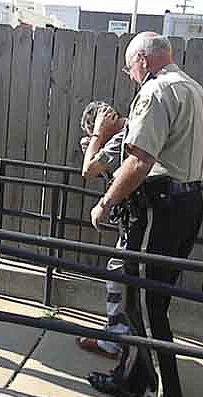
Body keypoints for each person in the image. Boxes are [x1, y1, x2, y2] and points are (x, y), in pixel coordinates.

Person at [86, 32, 203, 397]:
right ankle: (130, 379)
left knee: (146, 306)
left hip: (157, 208)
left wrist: (106, 202)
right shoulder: (201, 94)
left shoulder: (155, 92)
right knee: (146, 302)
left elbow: (138, 161)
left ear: (143, 62)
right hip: (188, 203)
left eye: (130, 66)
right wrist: (183, 173)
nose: (130, 74)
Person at [75, 101, 129, 360]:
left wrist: (97, 136)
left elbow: (89, 170)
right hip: (139, 218)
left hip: (141, 220)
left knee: (117, 273)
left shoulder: (121, 137)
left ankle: (116, 340)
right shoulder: (125, 134)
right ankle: (119, 335)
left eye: (92, 130)